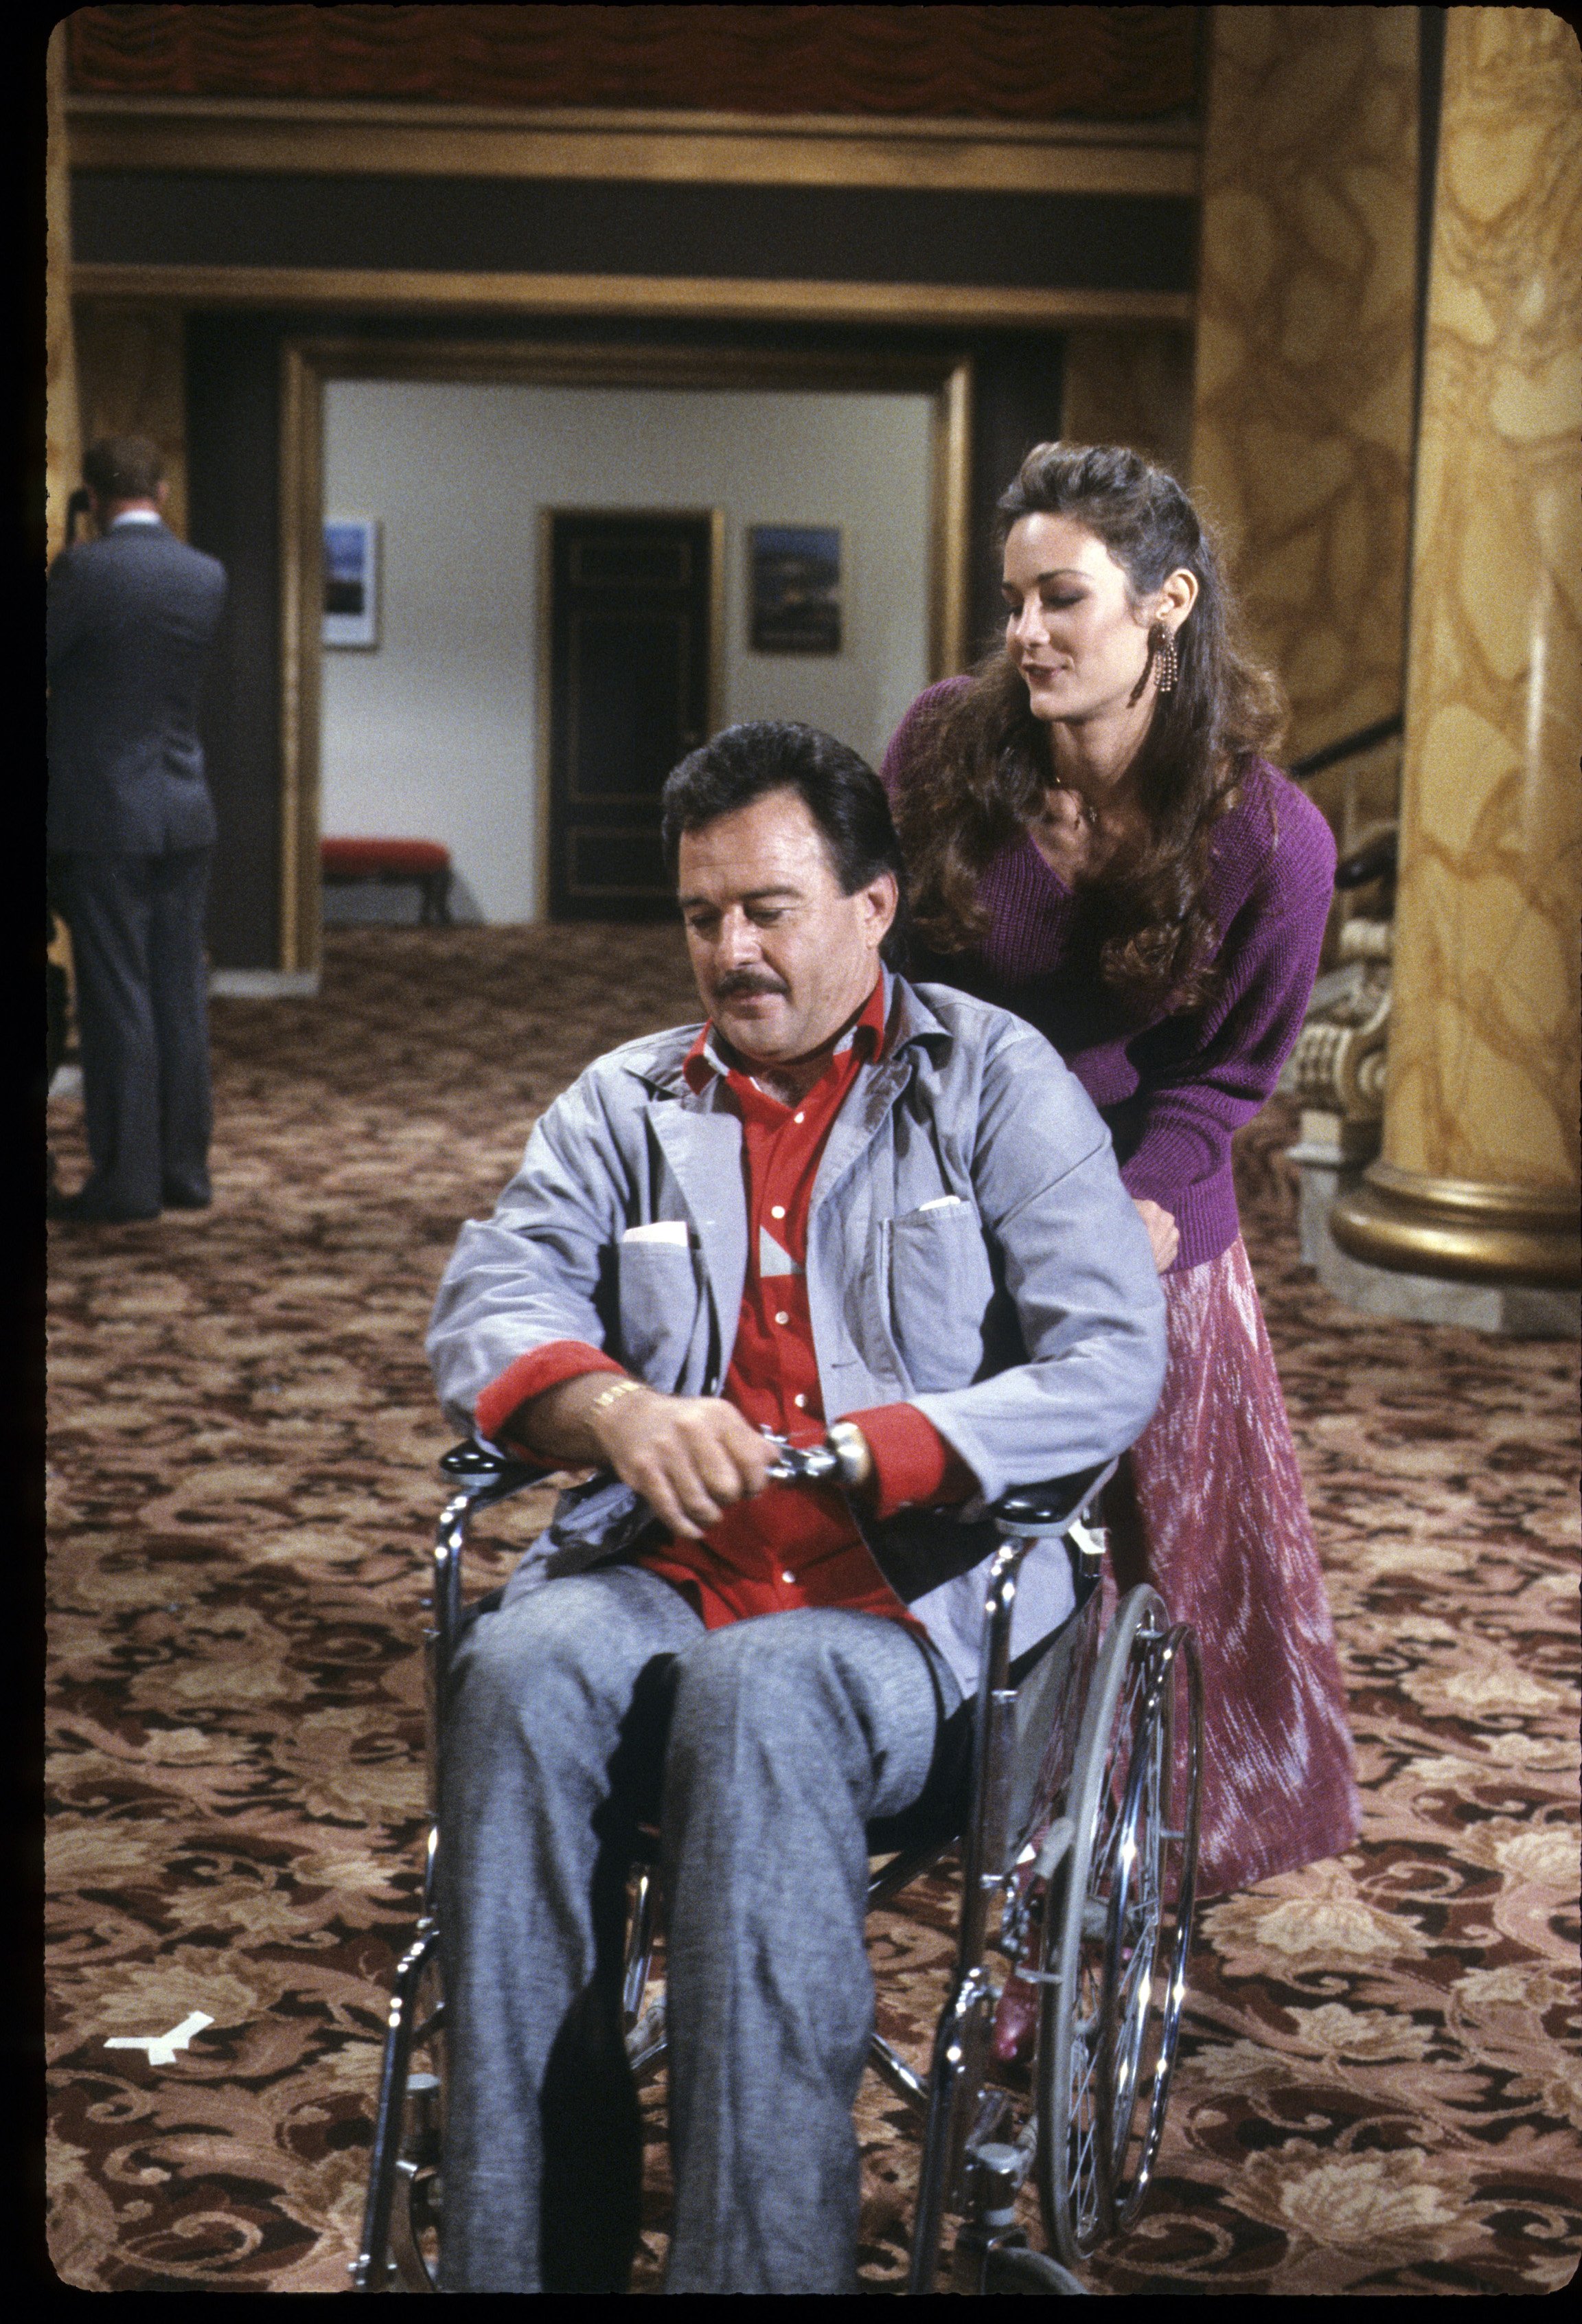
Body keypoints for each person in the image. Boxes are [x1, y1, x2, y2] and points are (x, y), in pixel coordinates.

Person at [425, 721, 1166, 2294]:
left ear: (876, 906)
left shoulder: (990, 1083)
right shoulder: (627, 1100)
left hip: (915, 1615)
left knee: (761, 1695)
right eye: (703, 917)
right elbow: (492, 1293)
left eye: (769, 908)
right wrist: (609, 1407)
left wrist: (889, 1446)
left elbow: (1114, 1360)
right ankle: (517, 2260)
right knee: (510, 1668)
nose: (732, 951)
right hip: (665, 1582)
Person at [882, 440, 1360, 1900]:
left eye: (1063, 599)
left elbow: (1222, 1084)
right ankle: (916, 1751)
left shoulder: (1274, 837)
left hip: (1148, 1207)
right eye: (1014, 600)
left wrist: (1123, 1222)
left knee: (1157, 1560)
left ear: (1167, 605)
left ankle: (1154, 1826)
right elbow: (884, 973)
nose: (1026, 633)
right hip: (951, 1179)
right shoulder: (941, 751)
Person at [47, 435, 227, 1222]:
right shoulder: (203, 574)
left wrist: (63, 557)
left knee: (118, 997)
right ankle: (185, 1170)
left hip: (103, 812)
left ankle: (126, 1181)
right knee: (179, 993)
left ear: (91, 492)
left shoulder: (86, 570)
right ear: (161, 485)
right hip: (184, 807)